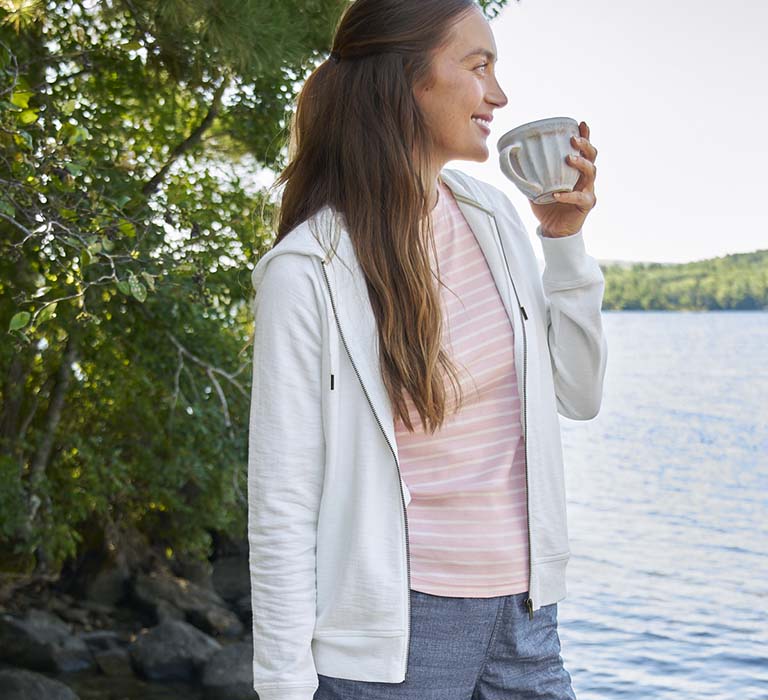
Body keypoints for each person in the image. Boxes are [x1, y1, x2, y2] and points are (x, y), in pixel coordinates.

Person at [247, 0, 606, 698]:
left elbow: (578, 394)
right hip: (393, 643)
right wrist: (284, 688)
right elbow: (282, 504)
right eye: (479, 67)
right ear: (409, 80)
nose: (499, 95)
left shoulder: (494, 215)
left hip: (526, 619)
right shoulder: (308, 270)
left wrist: (564, 241)